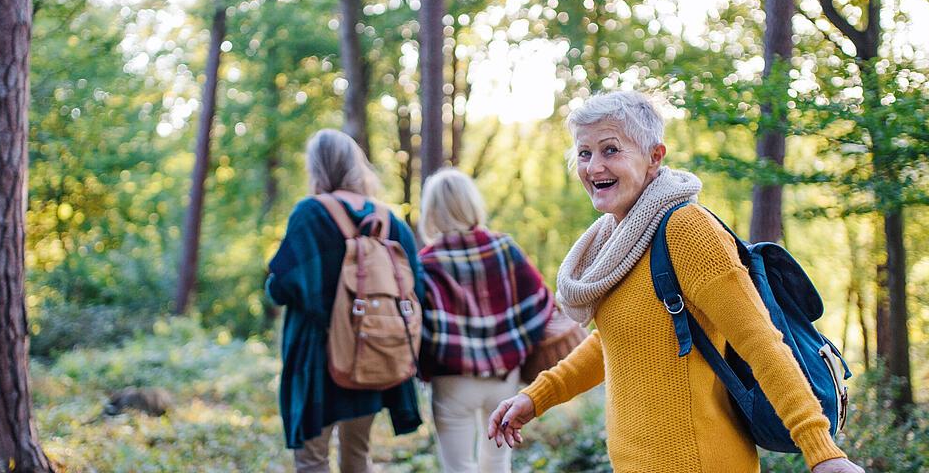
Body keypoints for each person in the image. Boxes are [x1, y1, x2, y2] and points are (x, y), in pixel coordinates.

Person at [486, 91, 864, 473]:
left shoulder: (687, 229)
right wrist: (536, 397)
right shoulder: (619, 242)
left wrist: (822, 451)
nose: (594, 166)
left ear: (654, 157)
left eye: (611, 150)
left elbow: (762, 342)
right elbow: (615, 340)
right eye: (584, 153)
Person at [266, 129, 425, 473]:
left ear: (317, 168)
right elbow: (418, 290)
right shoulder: (390, 222)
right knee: (358, 453)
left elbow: (281, 288)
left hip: (317, 358)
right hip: (375, 352)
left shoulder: (310, 214)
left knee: (312, 459)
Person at [417, 168, 552, 473]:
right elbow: (541, 302)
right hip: (504, 376)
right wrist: (518, 346)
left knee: (459, 468)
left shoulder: (426, 262)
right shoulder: (504, 248)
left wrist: (423, 369)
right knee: (497, 463)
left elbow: (418, 328)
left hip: (453, 379)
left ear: (432, 211)